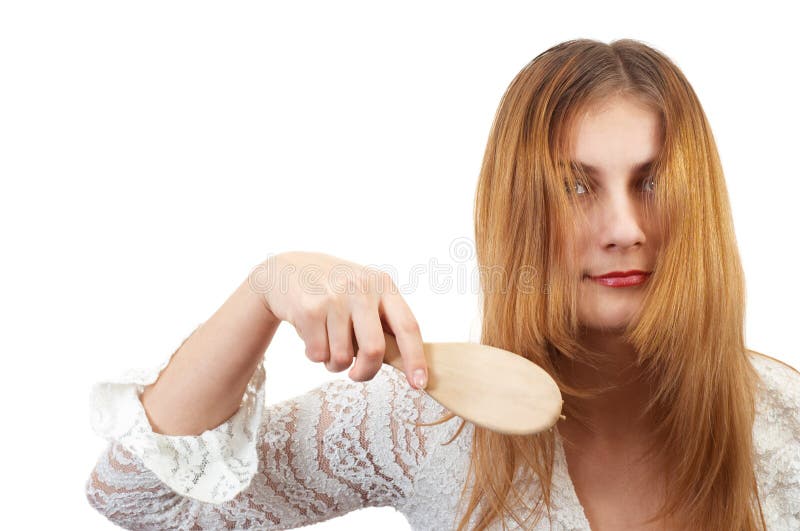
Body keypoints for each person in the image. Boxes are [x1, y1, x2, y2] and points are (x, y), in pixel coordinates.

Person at [84, 38, 800, 530]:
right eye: (576, 186)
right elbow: (140, 497)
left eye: (653, 182)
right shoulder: (424, 423)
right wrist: (264, 289)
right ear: (519, 212)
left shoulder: (786, 421)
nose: (625, 226)